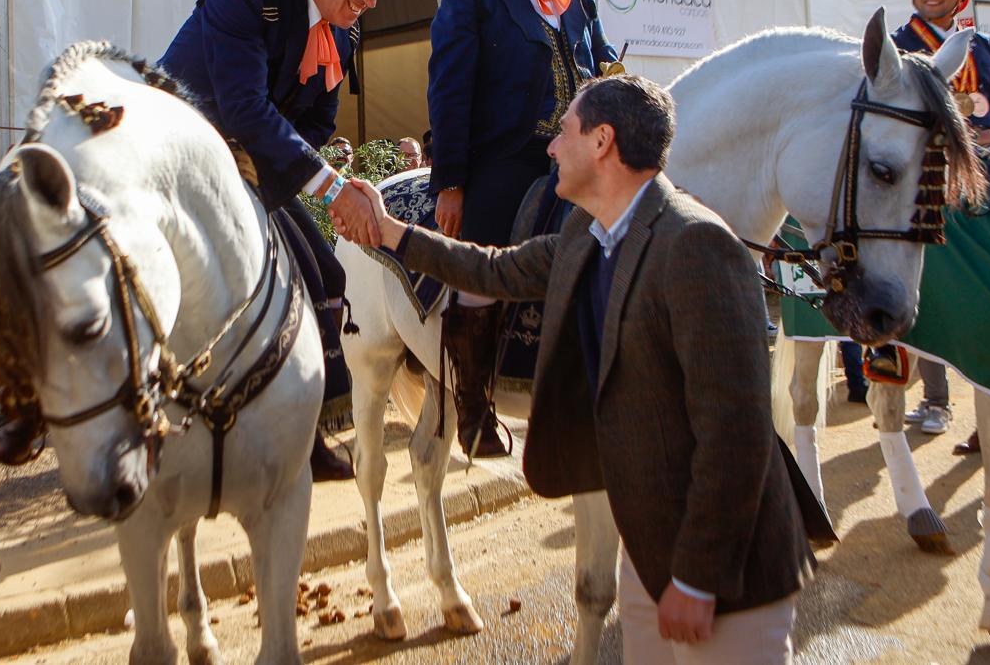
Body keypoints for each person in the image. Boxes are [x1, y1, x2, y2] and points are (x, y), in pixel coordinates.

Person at [341, 76, 829, 662]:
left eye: (564, 132)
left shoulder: (698, 245)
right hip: (649, 555)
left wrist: (699, 579)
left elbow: (737, 434)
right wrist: (391, 232)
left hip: (728, 568)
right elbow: (494, 271)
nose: (551, 147)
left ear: (602, 142)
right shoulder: (586, 230)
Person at [161, 0, 423, 481]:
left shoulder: (343, 38)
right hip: (181, 157)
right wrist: (332, 189)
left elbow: (317, 125)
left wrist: (289, 168)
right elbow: (244, 108)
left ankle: (305, 435)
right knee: (263, 280)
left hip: (248, 165)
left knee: (326, 277)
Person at [426, 0, 617, 457]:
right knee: (483, 262)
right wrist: (452, 182)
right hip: (505, 158)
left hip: (579, 158)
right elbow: (449, 93)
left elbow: (604, 64)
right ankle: (474, 405)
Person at [876, 0, 990, 445]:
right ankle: (934, 399)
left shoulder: (981, 46)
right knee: (932, 289)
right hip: (928, 182)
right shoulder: (895, 45)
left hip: (983, 181)